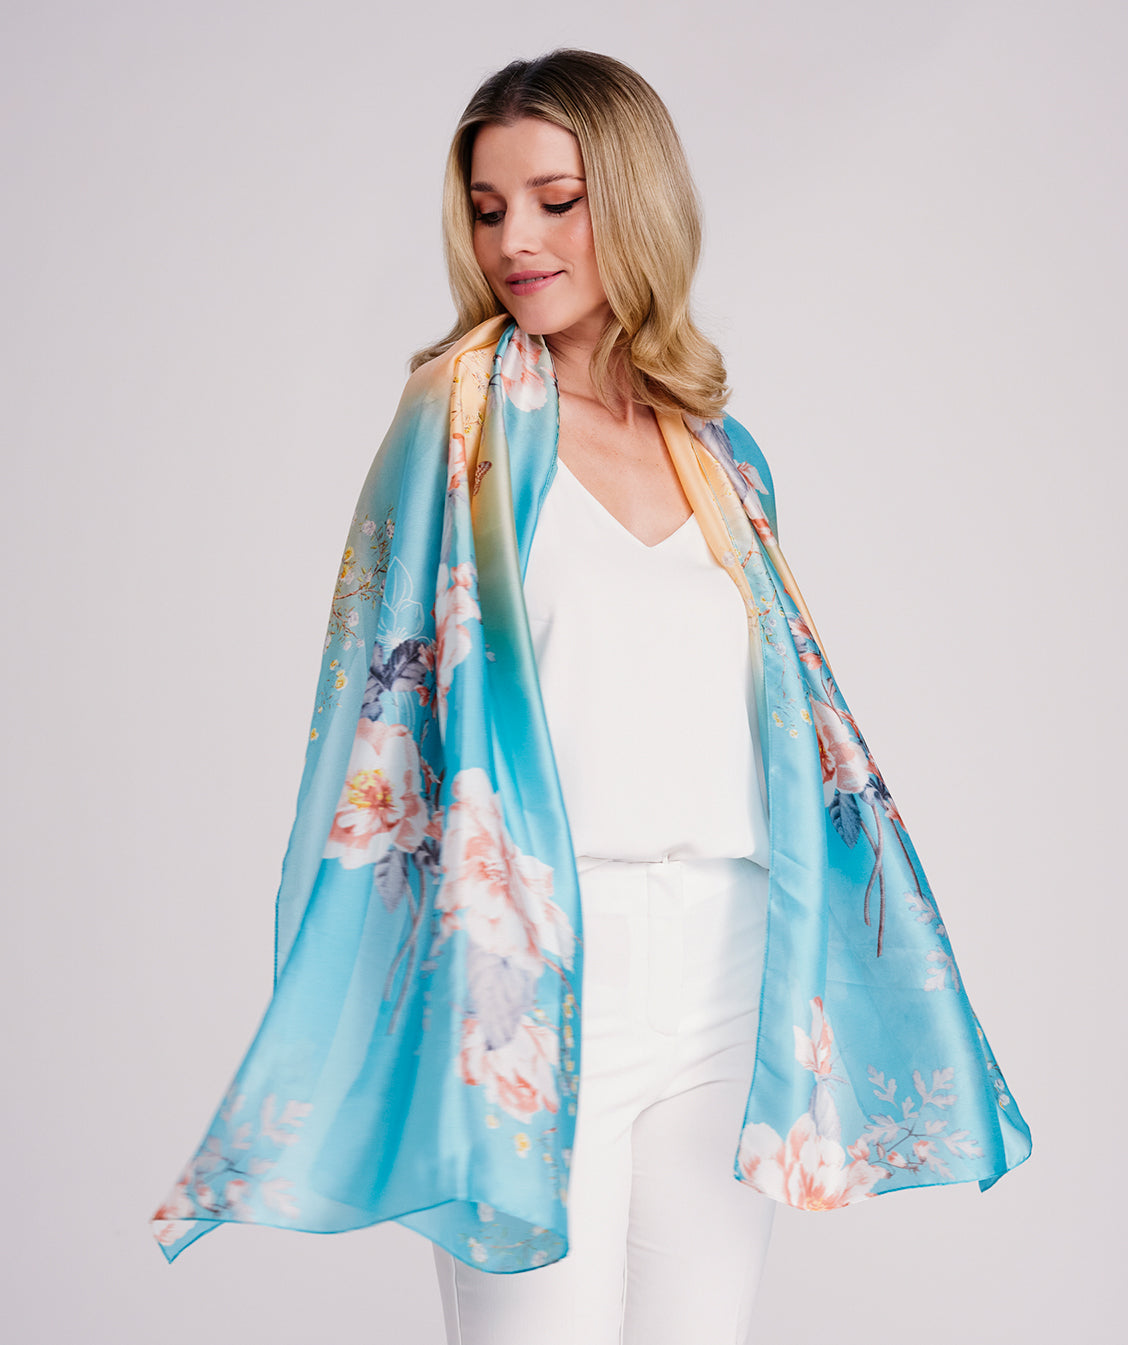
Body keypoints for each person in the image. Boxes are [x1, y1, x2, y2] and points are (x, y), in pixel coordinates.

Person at [151, 49, 1031, 1345]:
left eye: (556, 201)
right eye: (489, 207)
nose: (515, 239)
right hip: (537, 958)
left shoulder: (721, 455)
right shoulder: (457, 424)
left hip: (729, 960)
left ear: (634, 199)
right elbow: (378, 706)